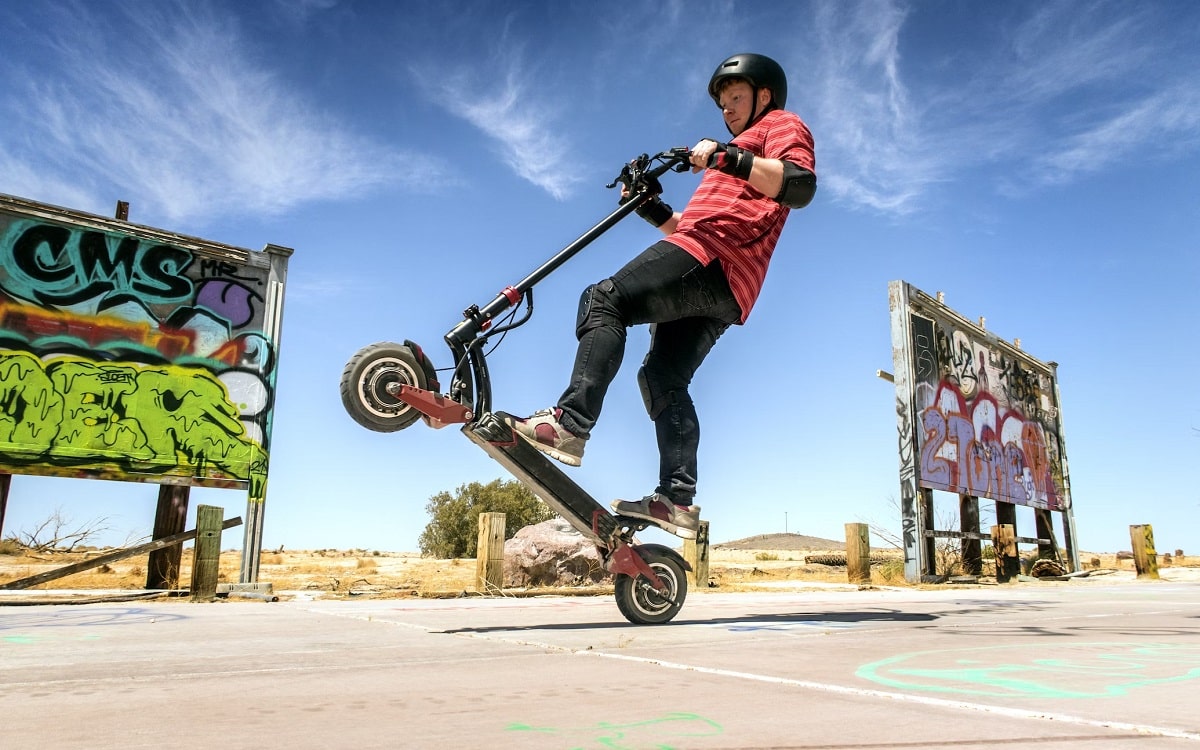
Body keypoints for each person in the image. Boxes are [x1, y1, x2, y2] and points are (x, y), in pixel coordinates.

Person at [504, 53, 816, 540]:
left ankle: (570, 423)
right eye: (722, 103)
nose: (728, 110)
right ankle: (676, 499)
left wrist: (727, 156)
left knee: (605, 299)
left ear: (765, 95)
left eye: (736, 98)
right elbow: (687, 227)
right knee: (663, 378)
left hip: (714, 258)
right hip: (721, 280)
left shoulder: (780, 125)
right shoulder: (731, 158)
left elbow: (799, 185)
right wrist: (650, 208)